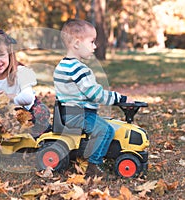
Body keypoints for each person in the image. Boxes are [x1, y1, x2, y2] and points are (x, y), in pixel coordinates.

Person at [53, 19, 131, 179]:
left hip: (70, 112)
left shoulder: (63, 65)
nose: (95, 46)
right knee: (105, 130)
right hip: (77, 115)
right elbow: (94, 93)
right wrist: (119, 98)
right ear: (76, 43)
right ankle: (93, 165)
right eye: (92, 42)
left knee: (103, 125)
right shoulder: (78, 69)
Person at [0, 28, 50, 138]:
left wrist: (8, 97)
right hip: (3, 117)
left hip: (27, 113)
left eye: (1, 55)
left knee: (41, 111)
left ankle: (35, 139)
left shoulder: (21, 73)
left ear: (9, 55)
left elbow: (27, 98)